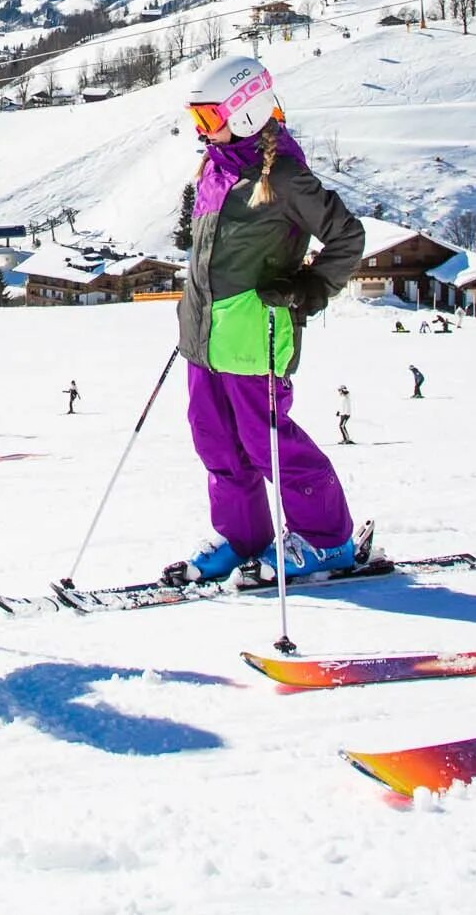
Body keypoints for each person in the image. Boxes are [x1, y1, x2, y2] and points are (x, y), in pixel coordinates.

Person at [164, 54, 373, 587]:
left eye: (211, 119)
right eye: (199, 121)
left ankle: (328, 540)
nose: (203, 132)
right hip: (205, 336)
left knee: (270, 443)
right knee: (215, 442)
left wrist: (309, 287)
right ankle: (243, 536)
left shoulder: (282, 173)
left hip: (256, 334)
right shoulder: (216, 166)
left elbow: (348, 237)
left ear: (249, 112)